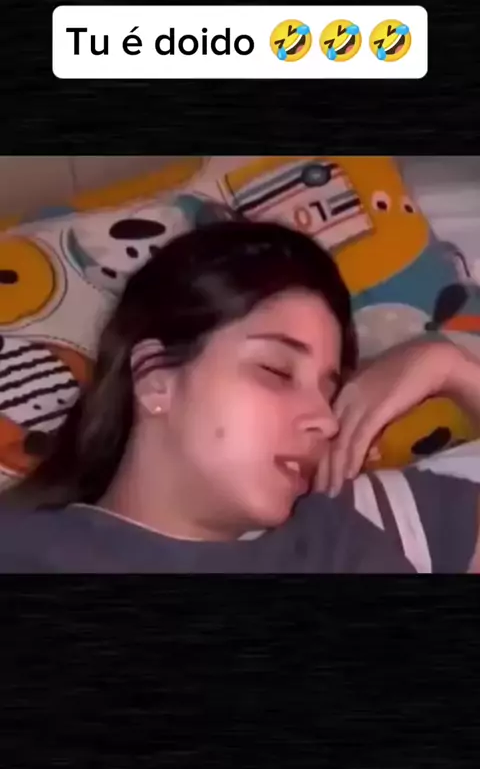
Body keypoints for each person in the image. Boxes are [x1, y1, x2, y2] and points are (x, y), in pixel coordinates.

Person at [0, 219, 479, 573]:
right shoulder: (30, 553)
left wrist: (450, 368)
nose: (325, 420)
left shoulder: (342, 523)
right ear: (154, 378)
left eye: (328, 390)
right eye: (276, 370)